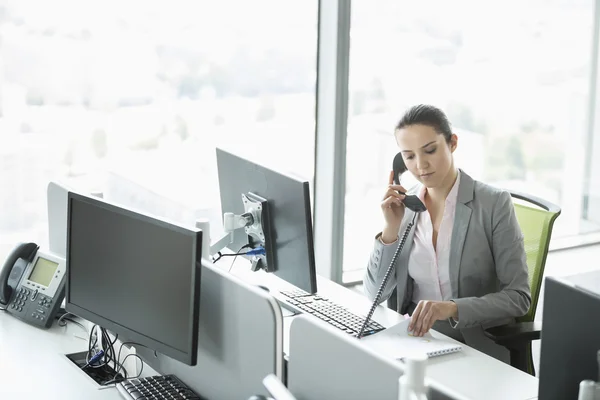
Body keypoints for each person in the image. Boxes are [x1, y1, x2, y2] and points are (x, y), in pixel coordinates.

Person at [363, 104, 531, 362]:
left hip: (472, 346)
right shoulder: (406, 207)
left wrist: (452, 309)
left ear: (452, 143)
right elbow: (375, 294)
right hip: (413, 343)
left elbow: (519, 298)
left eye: (430, 150)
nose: (420, 166)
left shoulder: (494, 204)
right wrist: (390, 229)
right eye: (409, 156)